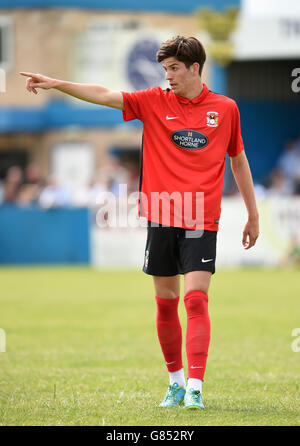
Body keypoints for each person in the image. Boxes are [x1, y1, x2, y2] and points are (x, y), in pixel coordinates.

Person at [20, 35, 259, 411]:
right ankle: (176, 383)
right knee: (166, 303)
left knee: (196, 299)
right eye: (165, 69)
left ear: (195, 68)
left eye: (175, 69)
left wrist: (253, 214)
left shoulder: (225, 108)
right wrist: (58, 83)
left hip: (200, 216)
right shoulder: (153, 101)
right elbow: (104, 94)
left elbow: (238, 160)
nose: (168, 76)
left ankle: (196, 387)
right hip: (161, 215)